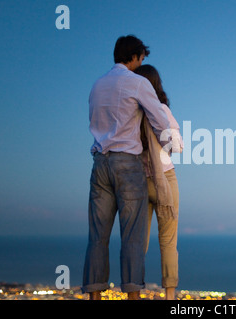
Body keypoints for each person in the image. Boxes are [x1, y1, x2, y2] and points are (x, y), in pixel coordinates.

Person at [82, 35, 172, 300]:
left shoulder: (97, 85)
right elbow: (160, 119)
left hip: (99, 163)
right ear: (133, 57)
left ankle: (94, 297)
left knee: (97, 236)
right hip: (127, 165)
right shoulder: (138, 82)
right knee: (132, 237)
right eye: (141, 58)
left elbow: (94, 120)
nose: (141, 63)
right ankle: (133, 297)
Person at [134, 64, 183, 300]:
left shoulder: (131, 112)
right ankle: (170, 296)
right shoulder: (162, 109)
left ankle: (133, 291)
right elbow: (178, 146)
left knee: (137, 243)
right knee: (168, 241)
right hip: (166, 178)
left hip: (139, 181)